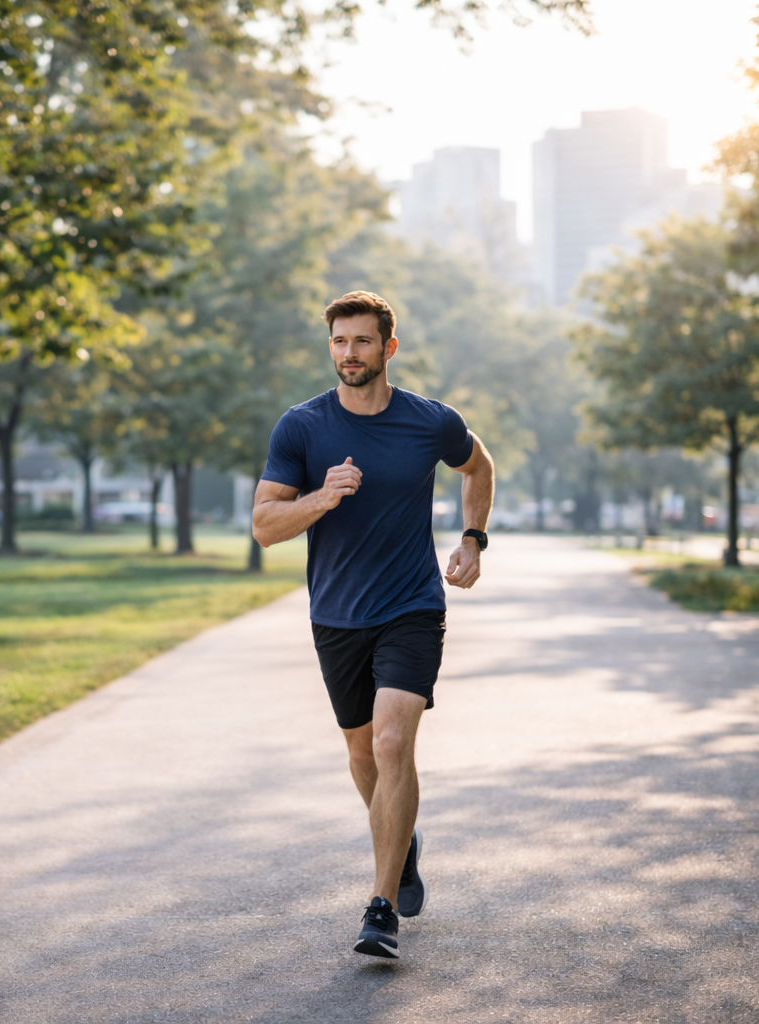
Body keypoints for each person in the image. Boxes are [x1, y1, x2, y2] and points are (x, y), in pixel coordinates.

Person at [252, 290, 494, 960]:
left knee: (391, 743)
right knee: (362, 754)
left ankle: (380, 906)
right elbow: (264, 526)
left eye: (362, 341)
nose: (349, 354)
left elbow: (480, 465)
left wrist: (473, 539)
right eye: (339, 342)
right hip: (336, 615)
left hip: (412, 605)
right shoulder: (300, 428)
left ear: (388, 348)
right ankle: (402, 838)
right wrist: (323, 497)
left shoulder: (430, 421)